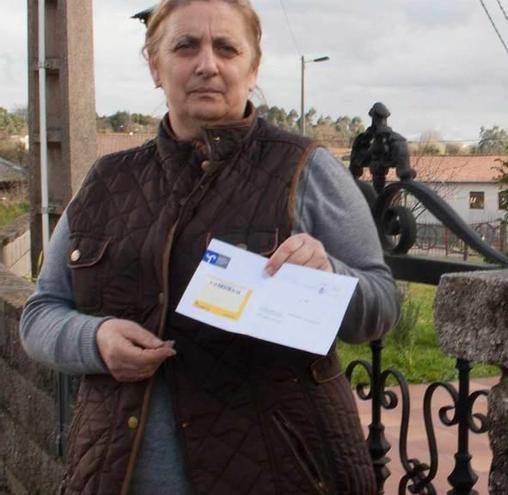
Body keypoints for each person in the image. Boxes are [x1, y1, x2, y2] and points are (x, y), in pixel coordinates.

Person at [19, 1, 399, 493]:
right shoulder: (107, 183)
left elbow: (381, 305)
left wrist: (329, 273)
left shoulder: (304, 169)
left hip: (280, 474)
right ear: (155, 66)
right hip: (116, 475)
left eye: (226, 48)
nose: (207, 64)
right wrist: (96, 340)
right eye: (185, 46)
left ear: (252, 67)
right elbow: (41, 312)